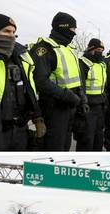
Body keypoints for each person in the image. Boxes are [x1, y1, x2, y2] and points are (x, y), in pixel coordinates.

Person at [0, 13, 45, 151]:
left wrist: (37, 116)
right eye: (6, 31)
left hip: (20, 127)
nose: (11, 35)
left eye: (13, 32)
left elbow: (30, 88)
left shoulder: (22, 55)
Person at [30, 12, 87, 151]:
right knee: (54, 146)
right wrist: (67, 96)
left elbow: (77, 78)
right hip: (54, 107)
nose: (74, 33)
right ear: (63, 27)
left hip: (71, 105)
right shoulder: (44, 48)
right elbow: (40, 81)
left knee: (65, 146)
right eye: (72, 29)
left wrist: (82, 97)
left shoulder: (70, 49)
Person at [74, 38, 108, 151]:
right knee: (86, 139)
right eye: (98, 49)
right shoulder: (83, 63)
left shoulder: (102, 64)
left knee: (99, 137)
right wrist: (82, 103)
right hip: (88, 106)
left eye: (102, 50)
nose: (100, 52)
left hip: (100, 105)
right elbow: (80, 86)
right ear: (91, 49)